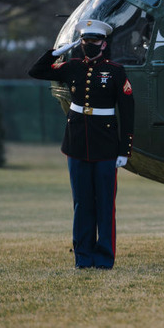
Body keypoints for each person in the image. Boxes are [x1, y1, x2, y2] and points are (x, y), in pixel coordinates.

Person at [28, 19, 135, 269]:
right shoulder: (72, 66)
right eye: (85, 41)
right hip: (76, 143)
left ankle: (104, 258)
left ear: (103, 43)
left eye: (93, 41)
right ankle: (83, 258)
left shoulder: (116, 71)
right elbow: (36, 71)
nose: (89, 45)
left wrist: (124, 150)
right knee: (82, 204)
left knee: (105, 205)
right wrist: (58, 52)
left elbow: (128, 113)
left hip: (106, 145)